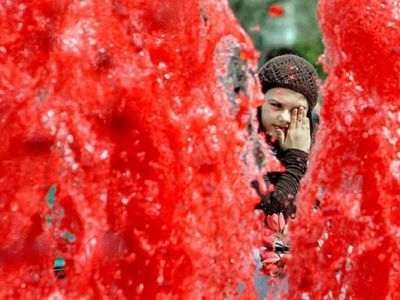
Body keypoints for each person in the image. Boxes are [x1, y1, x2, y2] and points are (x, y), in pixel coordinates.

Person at [252, 54, 320, 220]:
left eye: (296, 111)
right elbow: (271, 214)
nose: (285, 118)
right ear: (259, 103)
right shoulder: (242, 149)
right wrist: (297, 159)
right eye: (276, 106)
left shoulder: (320, 153)